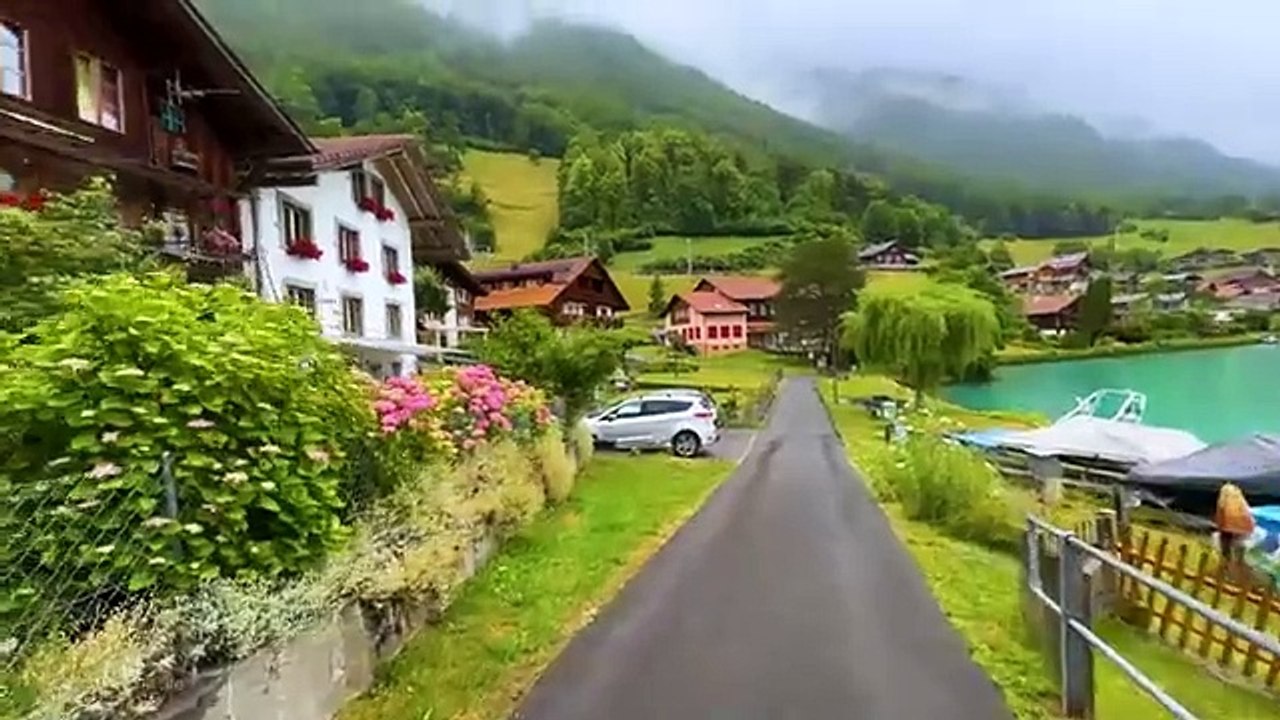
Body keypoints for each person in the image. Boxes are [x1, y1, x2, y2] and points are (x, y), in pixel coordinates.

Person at [1214, 483, 1256, 577]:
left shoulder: (1224, 501)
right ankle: (1237, 573)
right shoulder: (1241, 503)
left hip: (1228, 530)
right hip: (1243, 532)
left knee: (1227, 553)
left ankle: (1227, 572)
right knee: (1239, 556)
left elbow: (1220, 518)